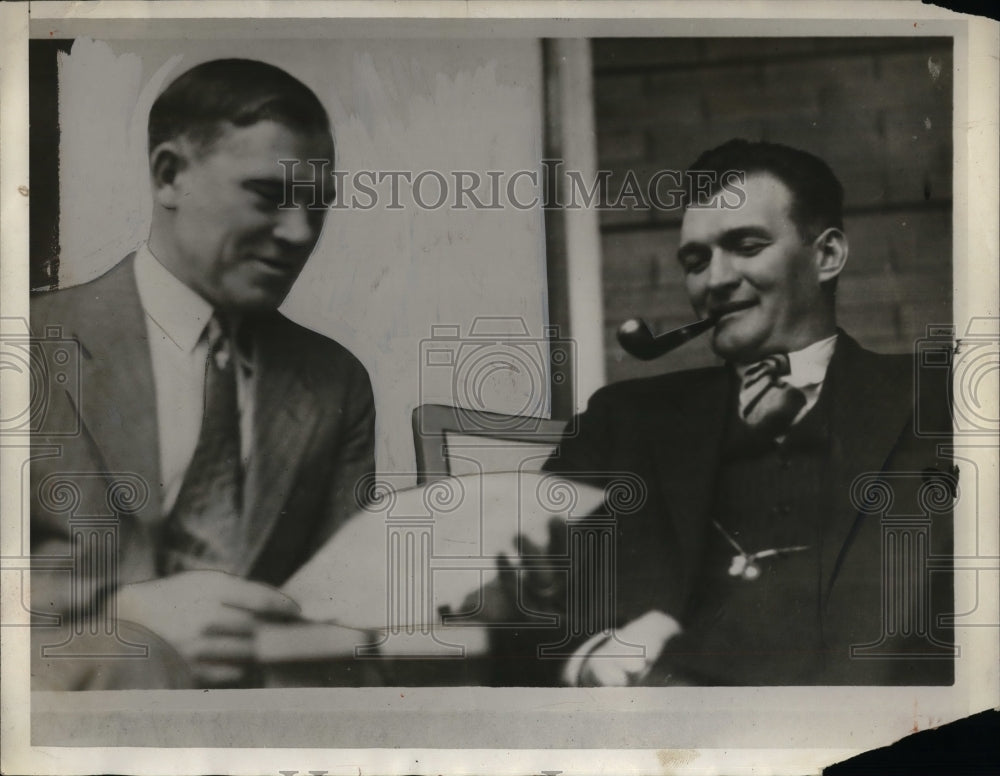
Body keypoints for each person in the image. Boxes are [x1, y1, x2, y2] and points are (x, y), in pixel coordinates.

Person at [532, 139, 954, 686]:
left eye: (746, 246)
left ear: (826, 256)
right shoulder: (625, 418)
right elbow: (522, 595)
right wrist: (590, 657)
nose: (714, 280)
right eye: (695, 260)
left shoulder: (943, 400)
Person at [30, 59, 375, 689]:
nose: (298, 232)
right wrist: (124, 613)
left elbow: (342, 601)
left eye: (316, 206)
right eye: (268, 196)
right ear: (169, 175)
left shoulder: (335, 382)